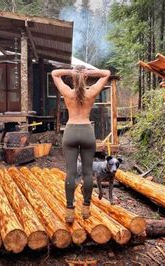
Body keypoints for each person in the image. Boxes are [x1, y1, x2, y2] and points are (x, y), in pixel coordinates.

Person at [51, 65, 111, 223]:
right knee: (87, 172)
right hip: (86, 131)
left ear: (73, 78)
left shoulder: (68, 93)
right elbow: (106, 73)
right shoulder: (90, 93)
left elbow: (55, 73)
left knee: (71, 173)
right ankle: (85, 208)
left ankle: (70, 210)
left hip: (70, 131)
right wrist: (89, 72)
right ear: (84, 78)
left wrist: (73, 72)